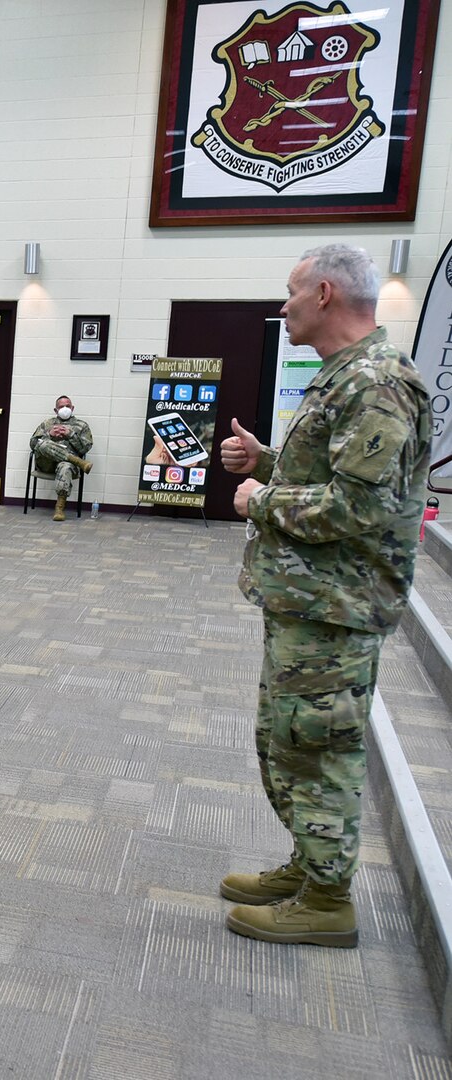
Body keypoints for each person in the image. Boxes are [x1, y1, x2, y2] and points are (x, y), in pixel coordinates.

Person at [219, 243, 431, 949]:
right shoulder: (346, 378)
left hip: (336, 610)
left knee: (318, 747)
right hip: (310, 605)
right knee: (286, 743)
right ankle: (311, 868)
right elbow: (342, 478)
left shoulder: (376, 384)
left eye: (291, 291)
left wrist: (261, 499)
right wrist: (269, 462)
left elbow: (357, 511)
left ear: (326, 295)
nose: (282, 305)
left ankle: (328, 900)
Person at [30, 395, 93, 521]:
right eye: (61, 407)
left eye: (67, 406)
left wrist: (71, 435)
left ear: (72, 408)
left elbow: (85, 448)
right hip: (46, 464)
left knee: (66, 466)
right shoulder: (47, 423)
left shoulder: (82, 426)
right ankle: (78, 461)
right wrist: (49, 435)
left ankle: (59, 508)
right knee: (42, 443)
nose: (65, 408)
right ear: (55, 410)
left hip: (66, 466)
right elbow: (33, 444)